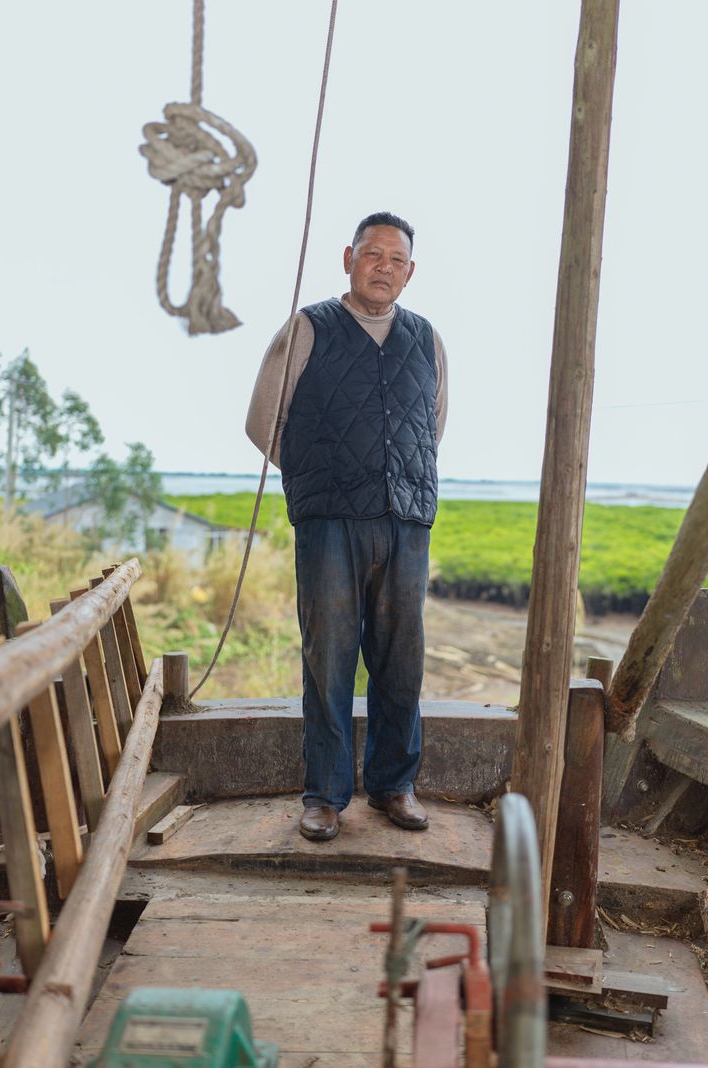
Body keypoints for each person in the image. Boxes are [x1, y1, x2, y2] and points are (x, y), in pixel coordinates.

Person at [246, 211, 448, 842]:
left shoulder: (427, 338)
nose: (383, 267)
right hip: (329, 520)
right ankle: (326, 796)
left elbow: (433, 426)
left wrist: (393, 479)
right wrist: (320, 478)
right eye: (372, 255)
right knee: (328, 655)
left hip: (405, 521)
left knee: (400, 658)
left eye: (396, 260)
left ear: (410, 272)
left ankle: (395, 785)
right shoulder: (308, 328)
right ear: (348, 258)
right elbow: (261, 423)